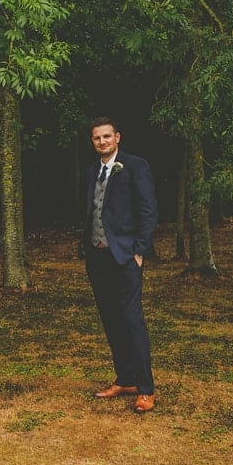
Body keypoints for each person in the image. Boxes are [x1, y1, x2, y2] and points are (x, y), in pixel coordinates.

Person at [82, 117, 158, 413]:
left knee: (131, 318)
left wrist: (139, 251)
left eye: (106, 136)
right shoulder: (91, 171)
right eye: (96, 138)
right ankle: (125, 378)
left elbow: (148, 210)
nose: (102, 142)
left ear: (117, 137)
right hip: (97, 255)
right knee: (111, 318)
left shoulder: (135, 165)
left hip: (126, 256)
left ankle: (146, 388)